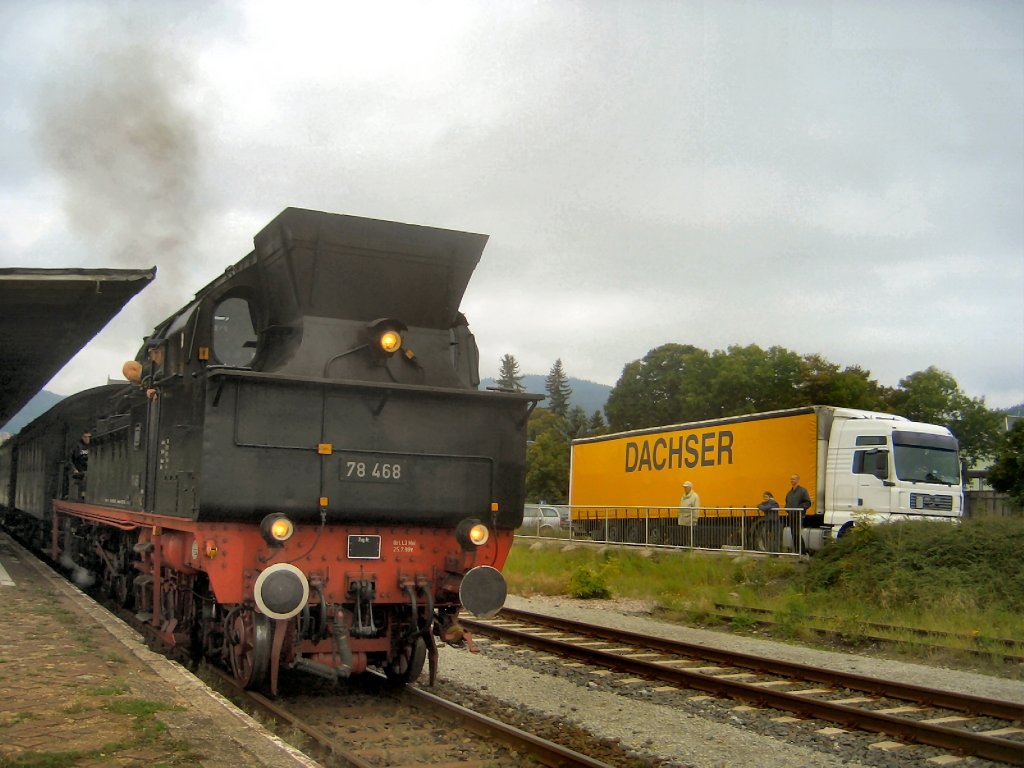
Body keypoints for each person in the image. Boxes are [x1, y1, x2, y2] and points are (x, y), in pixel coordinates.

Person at [784, 474, 812, 550]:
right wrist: (787, 509)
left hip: (799, 516)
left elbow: (808, 502)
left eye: (794, 479)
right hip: (791, 516)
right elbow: (787, 503)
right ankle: (797, 551)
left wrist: (799, 509)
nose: (792, 480)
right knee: (793, 534)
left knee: (797, 533)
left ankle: (802, 551)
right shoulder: (789, 493)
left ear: (798, 480)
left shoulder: (803, 491)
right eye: (791, 479)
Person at [69, 430, 90, 500]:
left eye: (88, 437)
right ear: (82, 437)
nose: (87, 439)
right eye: (85, 437)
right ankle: (83, 495)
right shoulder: (77, 446)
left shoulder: (92, 446)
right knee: (85, 476)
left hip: (89, 470)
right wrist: (74, 469)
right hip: (79, 471)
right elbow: (70, 459)